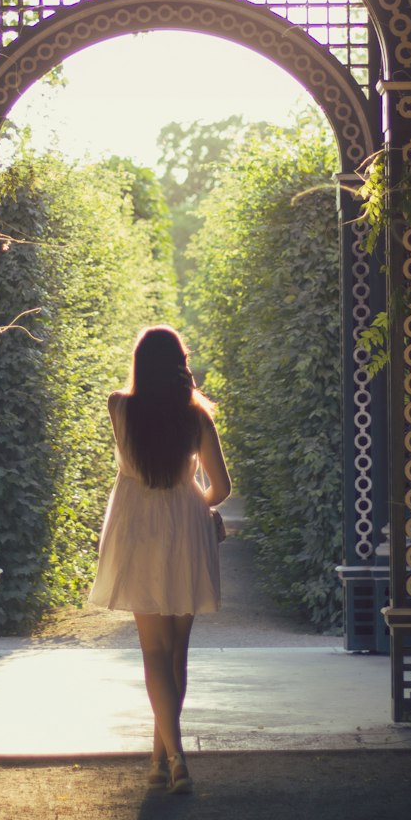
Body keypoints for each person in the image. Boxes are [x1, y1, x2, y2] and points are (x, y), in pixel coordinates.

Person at [88, 325, 231, 794]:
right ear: (179, 364)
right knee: (177, 653)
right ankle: (165, 757)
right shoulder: (196, 417)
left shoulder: (118, 406)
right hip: (184, 524)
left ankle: (173, 758)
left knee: (152, 651)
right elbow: (222, 488)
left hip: (138, 527)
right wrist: (197, 502)